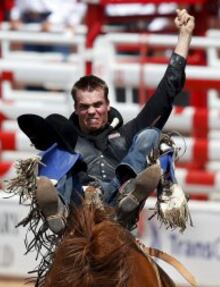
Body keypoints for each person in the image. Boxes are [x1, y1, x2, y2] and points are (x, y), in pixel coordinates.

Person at [16, 9, 195, 234]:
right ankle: (57, 210)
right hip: (77, 216)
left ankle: (128, 193)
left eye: (97, 104)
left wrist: (185, 36)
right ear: (76, 108)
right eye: (84, 106)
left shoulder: (128, 133)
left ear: (108, 105)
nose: (92, 111)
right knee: (59, 150)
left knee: (150, 135)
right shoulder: (67, 138)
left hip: (118, 216)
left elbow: (169, 89)